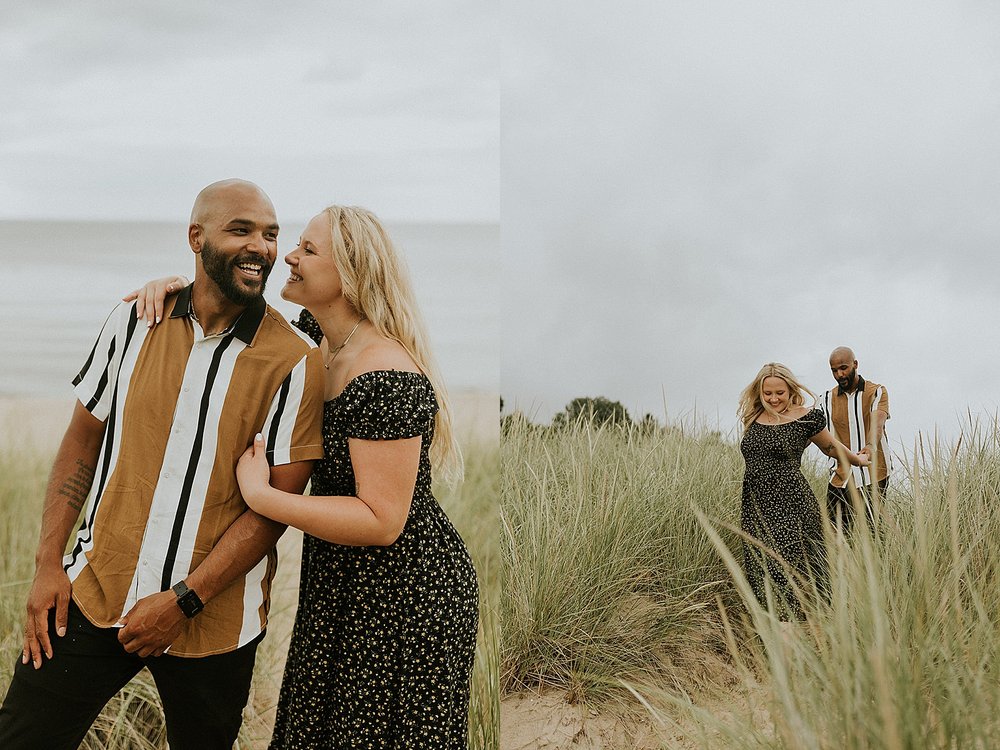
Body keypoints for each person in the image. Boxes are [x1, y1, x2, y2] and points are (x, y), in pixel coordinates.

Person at [131, 205, 479, 748]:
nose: (288, 256)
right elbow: (239, 311)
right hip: (346, 579)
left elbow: (383, 519)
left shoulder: (386, 375)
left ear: (352, 274)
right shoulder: (323, 337)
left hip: (406, 593)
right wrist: (176, 287)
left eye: (308, 250)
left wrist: (263, 497)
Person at [0, 180, 326, 749]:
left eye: (271, 234)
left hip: (215, 624)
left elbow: (277, 506)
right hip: (92, 592)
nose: (262, 247)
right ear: (196, 237)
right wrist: (49, 562)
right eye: (241, 229)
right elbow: (82, 439)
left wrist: (184, 601)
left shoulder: (296, 360)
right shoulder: (132, 322)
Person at [738, 362, 869, 619]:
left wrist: (856, 459)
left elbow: (831, 448)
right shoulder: (753, 416)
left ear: (790, 390)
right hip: (755, 505)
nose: (773, 399)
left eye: (780, 393)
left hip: (791, 504)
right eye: (768, 394)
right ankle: (773, 629)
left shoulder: (805, 417)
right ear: (759, 392)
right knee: (758, 567)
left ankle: (795, 629)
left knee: (787, 568)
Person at [820, 346, 892, 534]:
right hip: (840, 475)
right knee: (834, 534)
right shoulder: (826, 399)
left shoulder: (876, 391)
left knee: (872, 532)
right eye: (834, 370)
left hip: (874, 473)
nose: (839, 374)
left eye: (843, 368)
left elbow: (878, 421)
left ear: (855, 364)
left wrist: (869, 447)